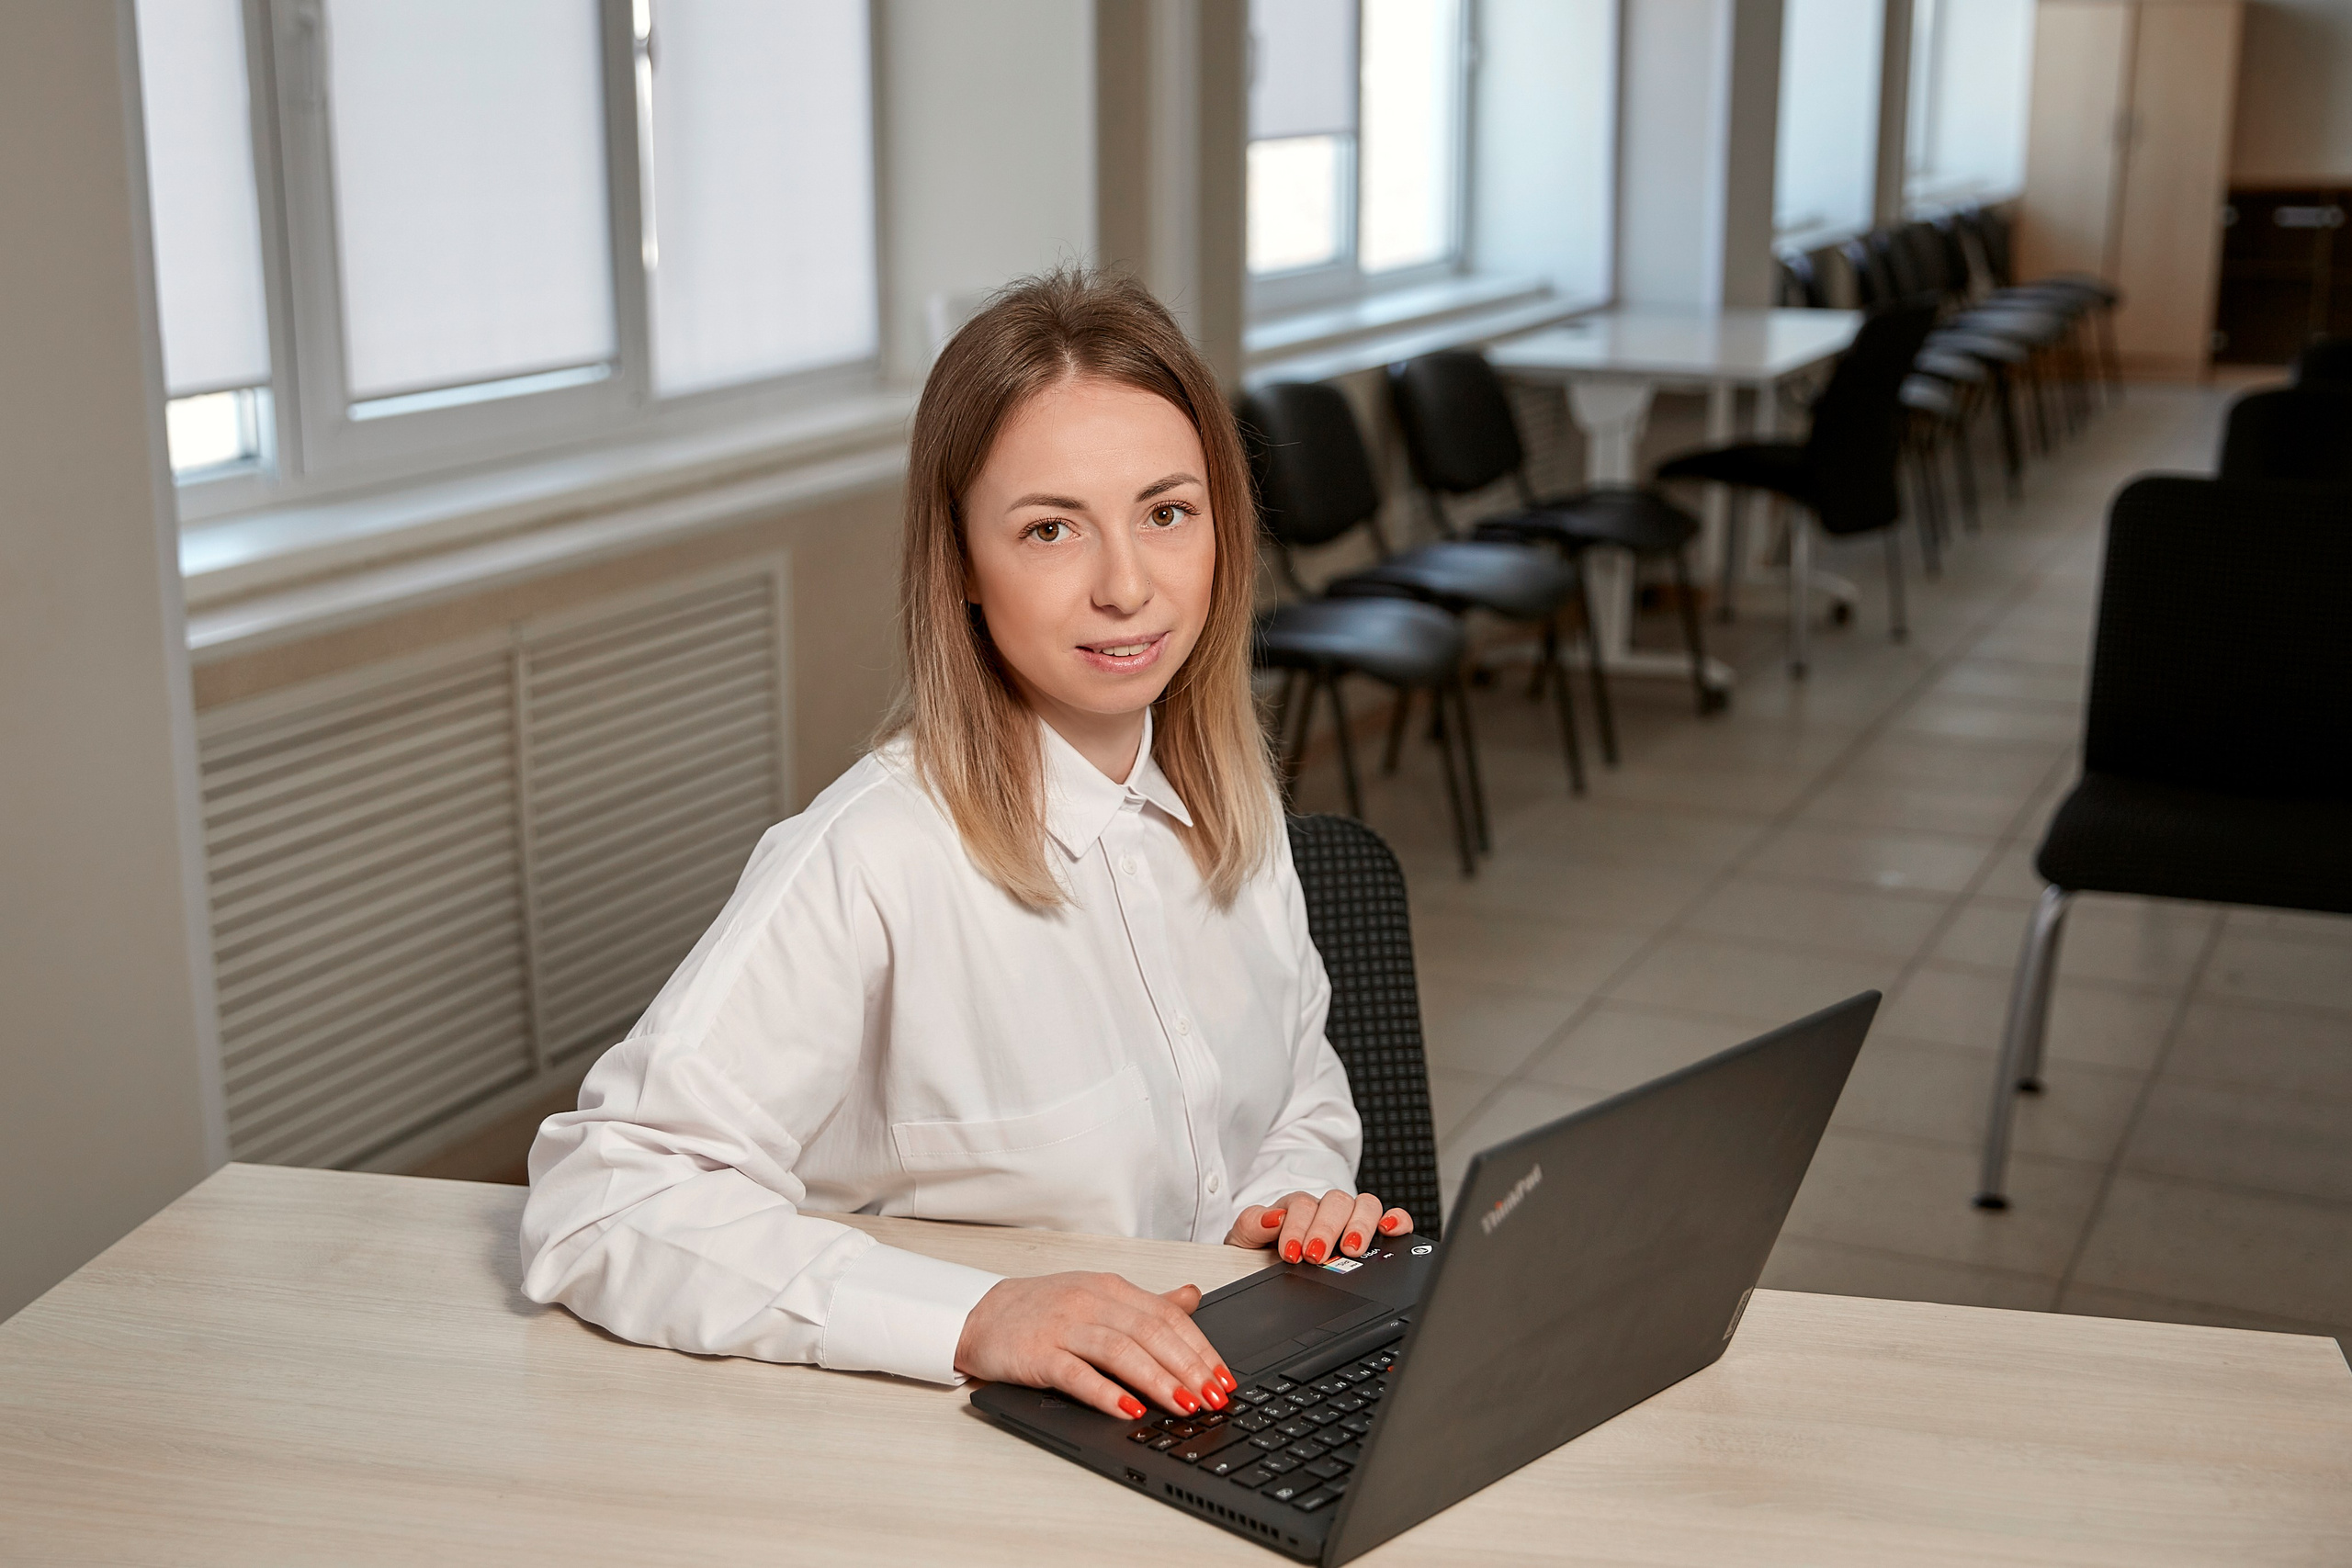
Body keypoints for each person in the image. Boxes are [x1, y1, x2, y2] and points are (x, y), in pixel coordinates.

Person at [519, 269, 1412, 1425]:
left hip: (1203, 1409)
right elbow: (603, 1201)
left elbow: (1298, 1090)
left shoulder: (1228, 809)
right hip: (958, 1444)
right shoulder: (872, 856)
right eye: (1050, 529)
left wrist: (1280, 1204)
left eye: (1166, 513)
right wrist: (977, 1315)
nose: (1127, 586)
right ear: (963, 568)